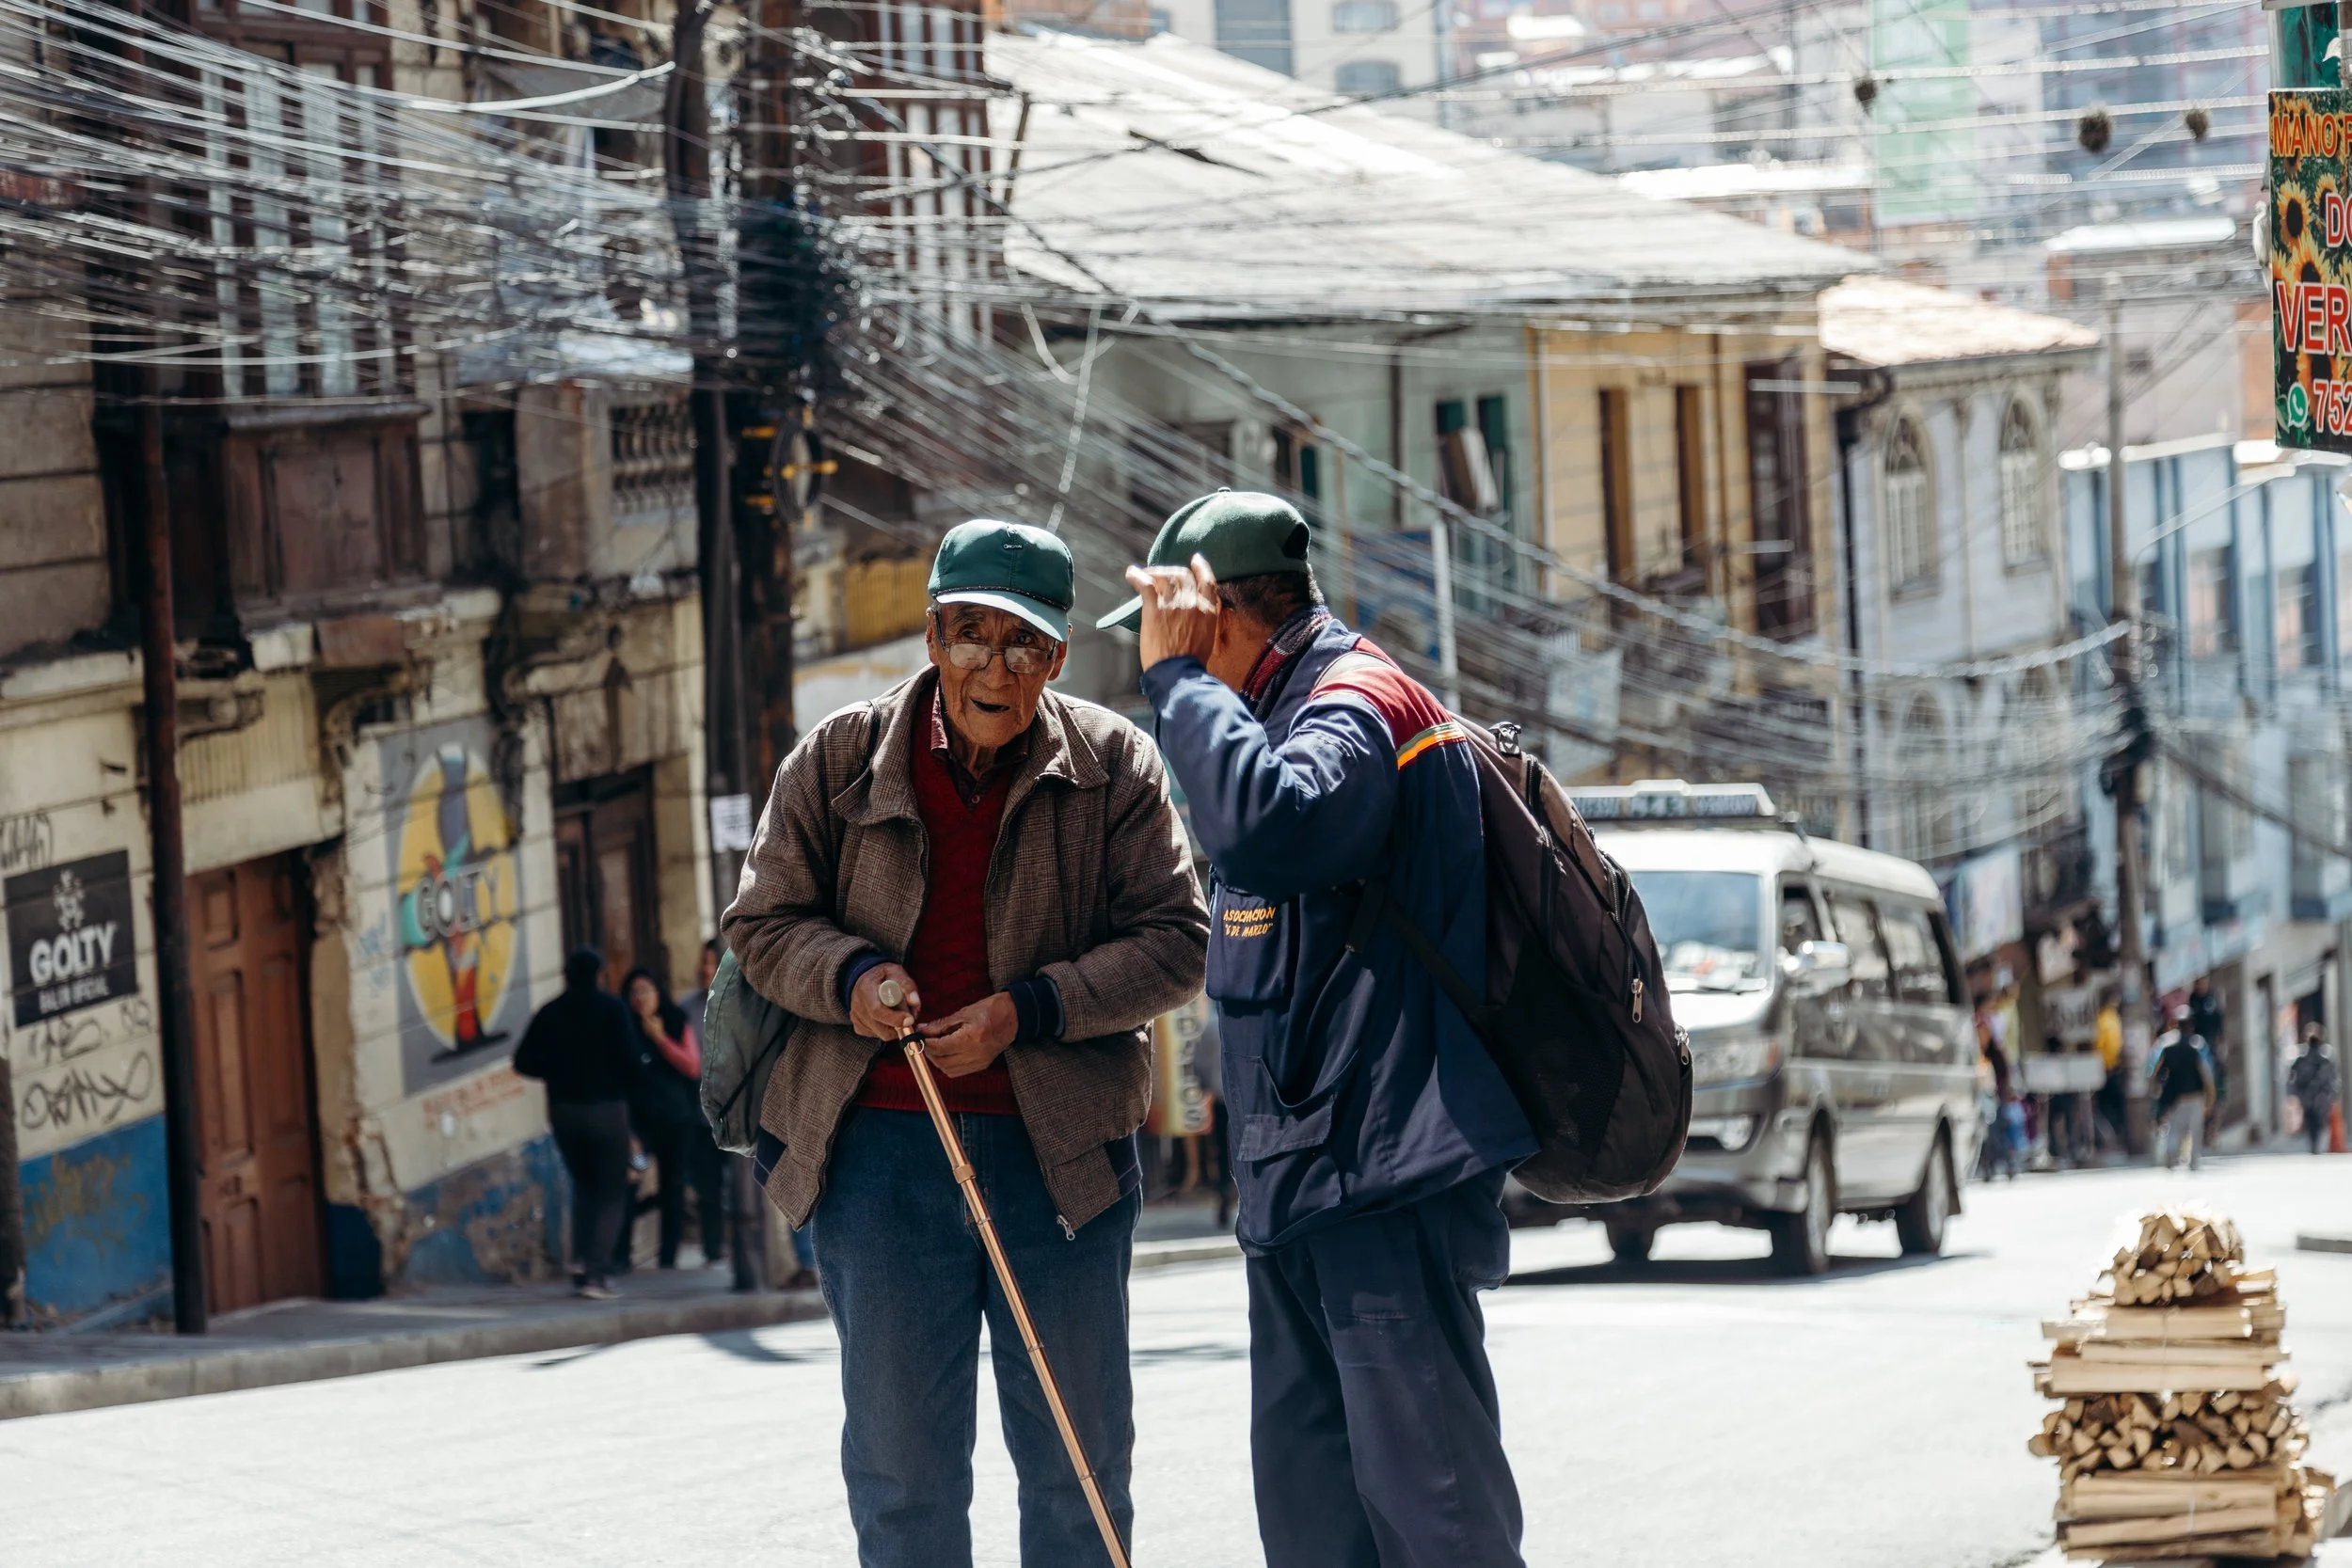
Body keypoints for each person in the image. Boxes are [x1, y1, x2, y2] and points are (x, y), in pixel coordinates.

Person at [723, 518, 1209, 1568]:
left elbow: (1176, 943)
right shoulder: (838, 758)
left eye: (1023, 642)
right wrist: (852, 978)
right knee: (904, 1478)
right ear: (933, 635)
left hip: (1062, 1160)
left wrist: (1023, 1010)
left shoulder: (1115, 766)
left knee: (1081, 1470)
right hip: (878, 1160)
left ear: (1059, 657)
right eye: (972, 635)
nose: (995, 665)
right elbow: (761, 924)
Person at [1110, 491, 1536, 1568]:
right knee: (1313, 1517)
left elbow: (1275, 824)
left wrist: (1179, 683)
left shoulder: (1359, 702)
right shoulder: (1277, 714)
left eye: (1167, 632)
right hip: (1301, 1182)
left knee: (1431, 1511)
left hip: (1380, 1178)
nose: (1152, 668)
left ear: (1212, 610)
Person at [513, 947, 638, 1299]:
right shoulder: (612, 1009)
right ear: (599, 974)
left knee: (584, 1185)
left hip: (565, 1111)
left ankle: (582, 1263)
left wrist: (556, 1071)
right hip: (606, 1110)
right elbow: (631, 1060)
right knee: (612, 1190)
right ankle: (596, 1272)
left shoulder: (551, 1012)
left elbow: (522, 1060)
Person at [624, 966, 725, 1269]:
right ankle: (621, 1254)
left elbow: (692, 1066)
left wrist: (660, 1039)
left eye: (646, 990)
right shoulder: (625, 1027)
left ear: (658, 993)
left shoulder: (674, 1019)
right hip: (638, 1129)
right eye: (634, 993)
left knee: (674, 1184)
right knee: (631, 1179)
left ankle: (668, 1256)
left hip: (676, 1122)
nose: (641, 998)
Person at [2150, 1004, 2216, 1171]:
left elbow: (2153, 1071)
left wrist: (2157, 1092)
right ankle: (2193, 1162)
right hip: (2195, 1096)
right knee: (2195, 1131)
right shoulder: (2198, 1045)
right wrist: (2210, 1098)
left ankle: (2170, 1157)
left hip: (2175, 1097)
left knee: (2173, 1130)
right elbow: (2207, 1074)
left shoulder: (2165, 1045)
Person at [2286, 1025, 2340, 1155]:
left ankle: (2314, 1144)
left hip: (2316, 1094)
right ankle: (2314, 1144)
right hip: (2313, 1094)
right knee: (2313, 1120)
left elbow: (2331, 1076)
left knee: (2315, 1120)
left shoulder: (2324, 1057)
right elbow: (2293, 1074)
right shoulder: (2303, 1057)